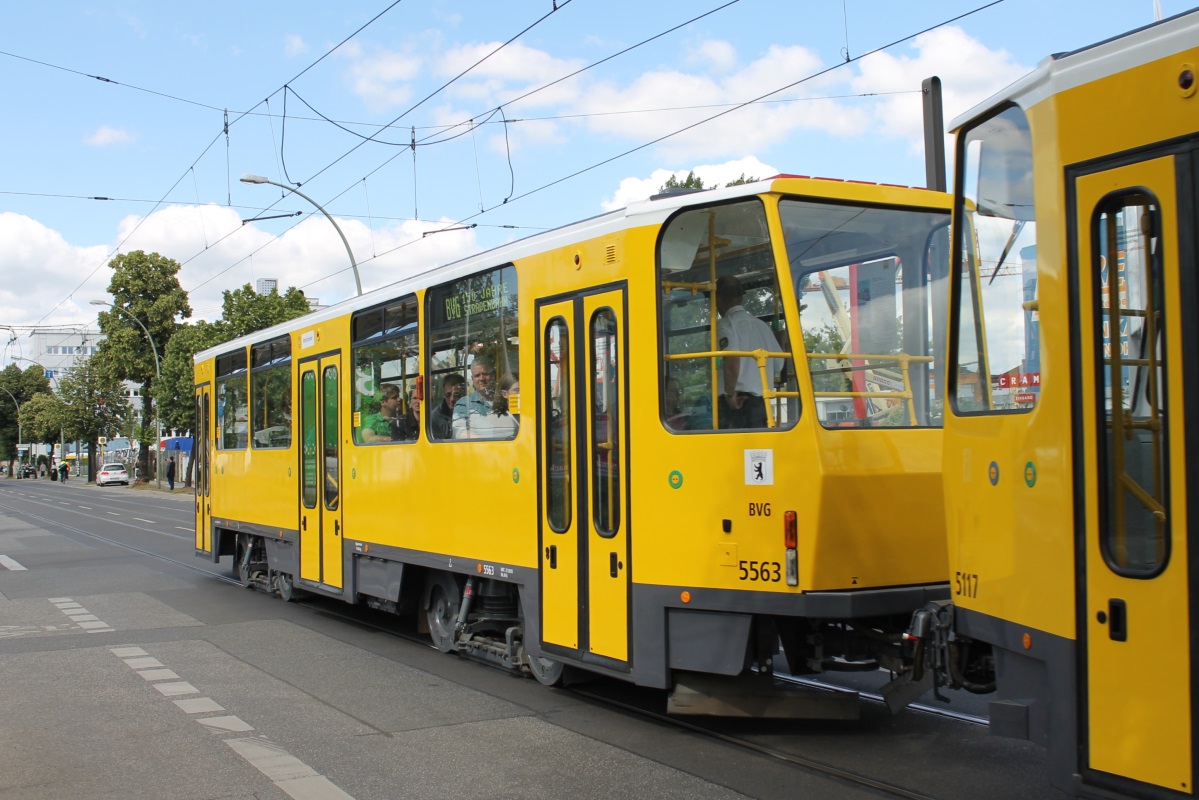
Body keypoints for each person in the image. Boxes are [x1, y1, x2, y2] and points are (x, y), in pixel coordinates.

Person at [714, 275, 783, 429]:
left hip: (735, 405)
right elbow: (779, 364)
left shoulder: (725, 325)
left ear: (717, 298)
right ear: (740, 297)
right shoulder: (762, 327)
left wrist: (730, 394)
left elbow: (732, 361)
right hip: (761, 403)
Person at [453, 373, 519, 439]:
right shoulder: (496, 416)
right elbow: (460, 432)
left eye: (524, 389)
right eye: (517, 390)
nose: (521, 393)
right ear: (505, 394)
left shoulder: (523, 412)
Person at [452, 355, 498, 438]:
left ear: (493, 375)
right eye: (477, 375)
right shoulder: (464, 405)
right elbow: (459, 432)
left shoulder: (505, 399)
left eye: (485, 374)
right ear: (472, 379)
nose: (482, 378)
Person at [430, 374, 466, 441]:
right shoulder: (435, 417)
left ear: (463, 394)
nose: (452, 399)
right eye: (448, 395)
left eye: (456, 394)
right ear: (444, 394)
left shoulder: (472, 410)